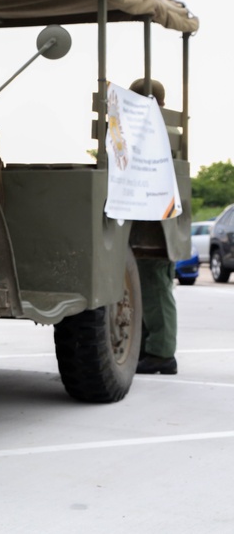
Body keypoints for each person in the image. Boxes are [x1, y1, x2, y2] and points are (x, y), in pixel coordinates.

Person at [128, 77, 178, 375]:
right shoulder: (164, 130)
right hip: (153, 220)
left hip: (155, 223)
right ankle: (152, 348)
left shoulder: (155, 131)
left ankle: (161, 353)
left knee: (156, 289)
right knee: (150, 289)